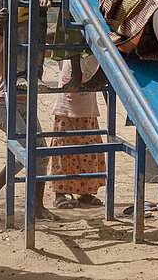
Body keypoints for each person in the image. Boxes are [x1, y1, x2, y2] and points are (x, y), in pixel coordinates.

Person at [0, 0, 58, 222]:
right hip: (4, 103)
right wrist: (1, 28)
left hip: (25, 104)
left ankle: (34, 205)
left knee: (39, 155)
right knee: (27, 153)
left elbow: (48, 49)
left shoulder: (28, 40)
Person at [48, 57, 106, 209]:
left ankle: (86, 193)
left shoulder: (94, 54)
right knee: (62, 154)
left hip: (88, 113)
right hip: (65, 111)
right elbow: (48, 48)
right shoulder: (66, 54)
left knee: (87, 156)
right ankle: (60, 193)